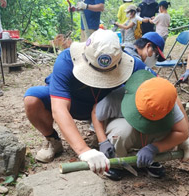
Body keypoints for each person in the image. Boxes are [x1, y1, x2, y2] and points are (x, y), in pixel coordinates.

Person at [24, 29, 147, 174]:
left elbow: (162, 90)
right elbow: (59, 108)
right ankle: (52, 140)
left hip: (105, 108)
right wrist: (84, 151)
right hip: (74, 103)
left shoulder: (133, 64)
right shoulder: (66, 60)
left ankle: (104, 134)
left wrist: (180, 134)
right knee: (32, 99)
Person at [91, 33, 189, 181]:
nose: (154, 59)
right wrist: (103, 141)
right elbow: (95, 113)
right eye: (155, 54)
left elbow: (182, 131)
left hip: (153, 139)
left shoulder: (164, 99)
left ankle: (152, 159)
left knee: (169, 130)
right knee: (122, 130)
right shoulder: (118, 96)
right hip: (125, 126)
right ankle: (116, 163)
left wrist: (155, 148)